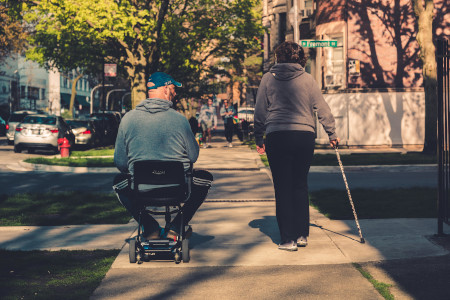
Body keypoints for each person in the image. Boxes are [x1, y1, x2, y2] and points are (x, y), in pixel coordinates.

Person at [254, 41, 339, 251]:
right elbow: (322, 108)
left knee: (282, 187)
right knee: (300, 184)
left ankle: (288, 239)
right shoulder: (308, 79)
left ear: (278, 57)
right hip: (304, 136)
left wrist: (258, 138)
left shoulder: (268, 79)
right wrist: (332, 133)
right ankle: (302, 234)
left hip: (278, 135)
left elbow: (259, 112)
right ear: (300, 58)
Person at [113, 72, 213, 240]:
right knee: (205, 178)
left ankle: (150, 226)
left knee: (118, 182)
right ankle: (176, 226)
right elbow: (193, 156)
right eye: (174, 89)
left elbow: (120, 162)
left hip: (141, 189)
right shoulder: (180, 120)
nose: (175, 94)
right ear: (166, 90)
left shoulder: (128, 119)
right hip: (177, 189)